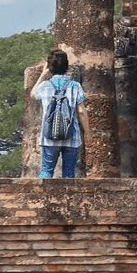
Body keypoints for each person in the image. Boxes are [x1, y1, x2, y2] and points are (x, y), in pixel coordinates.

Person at [31, 50, 85, 179]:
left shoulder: (45, 86)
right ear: (66, 66)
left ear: (50, 67)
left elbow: (33, 94)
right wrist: (88, 133)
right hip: (72, 134)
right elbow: (82, 111)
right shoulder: (75, 86)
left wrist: (43, 75)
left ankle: (44, 197)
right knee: (69, 173)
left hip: (49, 135)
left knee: (46, 171)